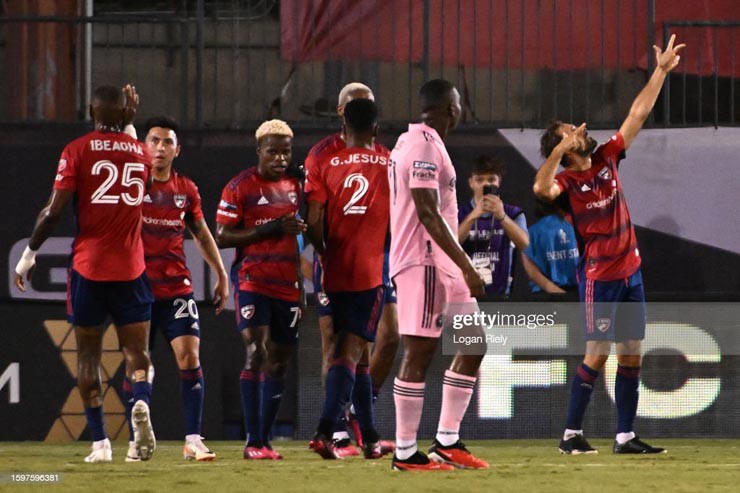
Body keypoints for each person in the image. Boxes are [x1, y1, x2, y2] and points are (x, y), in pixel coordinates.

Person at [533, 34, 685, 455]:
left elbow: (637, 114)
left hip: (630, 272)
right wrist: (558, 149)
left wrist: (660, 72)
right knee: (597, 354)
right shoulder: (565, 182)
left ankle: (624, 436)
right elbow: (540, 188)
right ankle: (570, 435)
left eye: (574, 129)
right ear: (563, 149)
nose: (579, 130)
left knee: (632, 353)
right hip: (600, 279)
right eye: (569, 132)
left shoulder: (606, 157)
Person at [14, 84, 156, 462]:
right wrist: (130, 126)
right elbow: (139, 172)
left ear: (91, 111)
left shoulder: (77, 150)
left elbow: (53, 212)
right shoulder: (141, 152)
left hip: (89, 269)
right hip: (131, 268)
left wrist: (29, 254)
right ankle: (141, 402)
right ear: (125, 113)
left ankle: (100, 444)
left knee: (88, 358)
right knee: (137, 353)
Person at [388, 79, 489, 471]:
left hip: (442, 262)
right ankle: (405, 452)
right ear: (450, 107)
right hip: (425, 259)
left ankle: (446, 441)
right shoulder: (424, 145)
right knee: (419, 351)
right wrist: (467, 265)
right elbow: (427, 212)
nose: (460, 107)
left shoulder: (415, 141)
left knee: (474, 342)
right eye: (458, 101)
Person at [120, 116, 229, 462]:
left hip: (176, 288)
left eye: (167, 142)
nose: (160, 148)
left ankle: (193, 439)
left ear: (177, 150)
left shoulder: (186, 189)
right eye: (154, 141)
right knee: (137, 362)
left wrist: (221, 273)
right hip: (138, 288)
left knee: (189, 356)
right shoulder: (133, 185)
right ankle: (137, 440)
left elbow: (201, 232)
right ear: (144, 146)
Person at [304, 82, 399, 456]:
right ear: (375, 125)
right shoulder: (388, 163)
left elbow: (313, 219)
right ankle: (329, 430)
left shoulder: (326, 161)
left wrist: (324, 253)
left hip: (332, 266)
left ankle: (370, 435)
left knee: (360, 351)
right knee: (345, 348)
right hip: (367, 270)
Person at [215, 119, 305, 460]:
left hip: (287, 283)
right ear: (259, 151)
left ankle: (264, 441)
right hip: (253, 279)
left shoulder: (296, 185)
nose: (280, 158)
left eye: (286, 152)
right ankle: (252, 441)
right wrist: (270, 228)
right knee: (256, 352)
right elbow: (223, 236)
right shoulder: (240, 187)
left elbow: (296, 239)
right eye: (273, 151)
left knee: (279, 362)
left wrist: (301, 288)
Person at [457, 156, 529, 296]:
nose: (485, 184)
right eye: (479, 180)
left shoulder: (513, 213)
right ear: (471, 183)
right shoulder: (460, 213)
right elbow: (451, 244)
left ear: (498, 181)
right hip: (465, 294)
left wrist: (502, 216)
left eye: (491, 179)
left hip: (502, 296)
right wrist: (473, 216)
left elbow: (525, 244)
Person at [521, 199, 579, 296]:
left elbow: (532, 273)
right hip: (578, 294)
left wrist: (559, 295)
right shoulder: (579, 227)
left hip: (545, 296)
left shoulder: (531, 232)